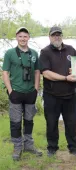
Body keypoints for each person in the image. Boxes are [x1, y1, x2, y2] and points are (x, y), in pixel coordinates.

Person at [39, 26, 76, 158]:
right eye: (54, 35)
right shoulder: (45, 52)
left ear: (62, 36)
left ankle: (74, 148)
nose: (56, 37)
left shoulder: (70, 50)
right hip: (51, 96)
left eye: (59, 34)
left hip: (69, 95)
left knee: (71, 123)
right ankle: (52, 148)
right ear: (49, 37)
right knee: (51, 123)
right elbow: (46, 73)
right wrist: (65, 78)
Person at [2, 27, 42, 161]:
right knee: (15, 122)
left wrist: (36, 89)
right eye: (20, 36)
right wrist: (10, 90)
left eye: (25, 36)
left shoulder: (34, 53)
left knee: (29, 121)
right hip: (16, 93)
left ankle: (29, 146)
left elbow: (37, 72)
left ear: (29, 37)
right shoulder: (10, 53)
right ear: (16, 37)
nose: (23, 39)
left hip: (30, 92)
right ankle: (17, 147)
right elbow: (5, 73)